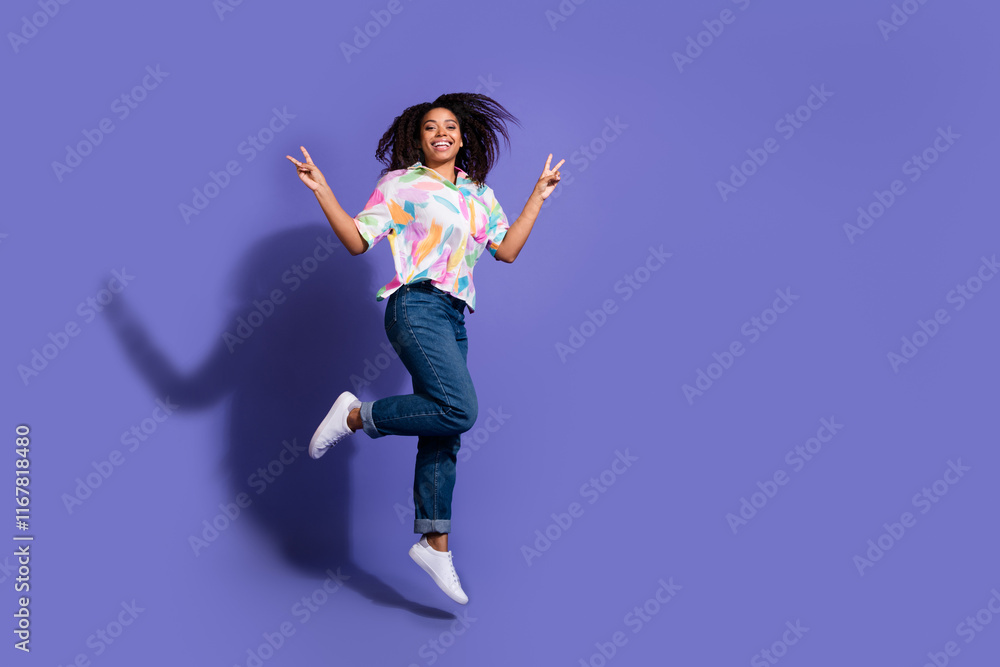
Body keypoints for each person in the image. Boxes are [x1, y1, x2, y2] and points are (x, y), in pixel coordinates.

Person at [285, 93, 563, 605]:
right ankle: (354, 416)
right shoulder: (400, 185)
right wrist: (323, 191)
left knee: (445, 426)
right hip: (415, 307)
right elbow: (356, 240)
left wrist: (539, 196)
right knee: (460, 408)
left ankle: (435, 543)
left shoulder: (479, 192)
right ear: (419, 137)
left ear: (462, 137)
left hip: (455, 315)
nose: (441, 132)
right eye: (430, 126)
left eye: (450, 126)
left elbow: (507, 250)